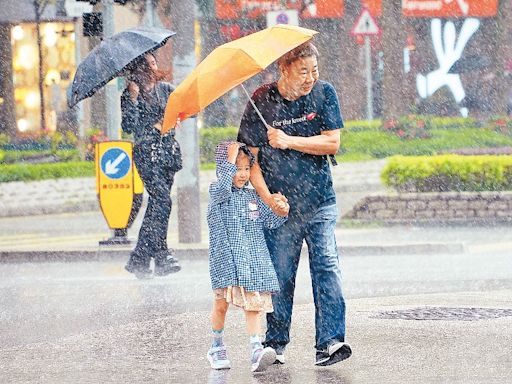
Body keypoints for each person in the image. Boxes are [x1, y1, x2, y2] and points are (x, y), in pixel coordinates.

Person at [237, 41, 352, 366]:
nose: (310, 77)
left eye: (314, 70)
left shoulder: (324, 93)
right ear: (283, 69)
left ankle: (330, 342)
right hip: (281, 208)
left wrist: (289, 140)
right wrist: (268, 198)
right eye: (303, 71)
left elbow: (332, 142)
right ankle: (275, 344)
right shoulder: (261, 100)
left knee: (326, 266)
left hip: (319, 201)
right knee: (280, 274)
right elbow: (249, 158)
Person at [206, 141, 289, 373]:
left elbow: (270, 221)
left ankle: (255, 349)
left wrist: (281, 210)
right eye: (236, 168)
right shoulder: (217, 192)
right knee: (221, 306)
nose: (241, 174)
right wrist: (229, 161)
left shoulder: (252, 197)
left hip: (252, 263)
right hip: (227, 262)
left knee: (253, 304)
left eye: (245, 169)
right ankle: (216, 346)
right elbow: (223, 188)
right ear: (224, 168)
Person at [121, 52, 182, 279]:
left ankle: (140, 259)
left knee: (157, 205)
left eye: (155, 62)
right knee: (162, 201)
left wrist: (177, 117)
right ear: (139, 69)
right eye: (149, 64)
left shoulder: (166, 89)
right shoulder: (129, 94)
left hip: (168, 153)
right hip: (146, 153)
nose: (154, 67)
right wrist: (134, 100)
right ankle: (162, 255)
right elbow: (128, 125)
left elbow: (189, 108)